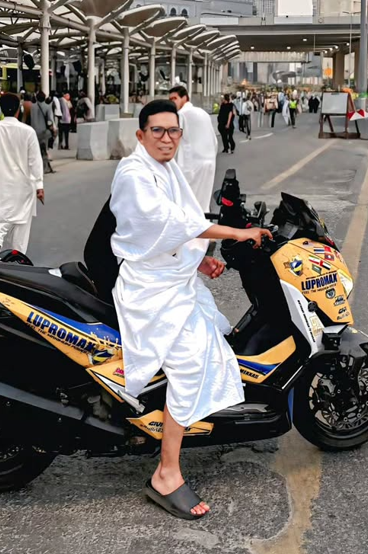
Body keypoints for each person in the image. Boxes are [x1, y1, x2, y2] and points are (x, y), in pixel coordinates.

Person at [105, 99, 271, 520]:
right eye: (157, 131)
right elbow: (166, 222)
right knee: (193, 363)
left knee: (216, 332)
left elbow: (175, 226)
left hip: (170, 279)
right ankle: (166, 473)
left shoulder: (165, 168)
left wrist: (199, 261)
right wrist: (236, 233)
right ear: (141, 135)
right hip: (149, 290)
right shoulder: (134, 172)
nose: (167, 138)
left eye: (173, 131)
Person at [0, 93, 44, 258]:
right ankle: (16, 257)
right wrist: (39, 186)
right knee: (20, 229)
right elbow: (34, 161)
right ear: (18, 110)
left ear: (0, 109)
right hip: (22, 187)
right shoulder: (27, 131)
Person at [169, 85, 218, 209]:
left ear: (185, 98)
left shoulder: (181, 115)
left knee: (188, 203)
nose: (172, 102)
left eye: (174, 98)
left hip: (192, 165)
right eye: (170, 99)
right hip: (209, 162)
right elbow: (214, 140)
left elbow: (174, 139)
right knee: (203, 201)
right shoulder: (203, 113)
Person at [28, 90, 56, 174]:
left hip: (33, 132)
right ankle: (45, 168)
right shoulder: (47, 107)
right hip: (43, 132)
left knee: (35, 151)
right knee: (44, 150)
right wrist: (53, 130)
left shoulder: (32, 107)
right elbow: (50, 121)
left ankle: (35, 168)